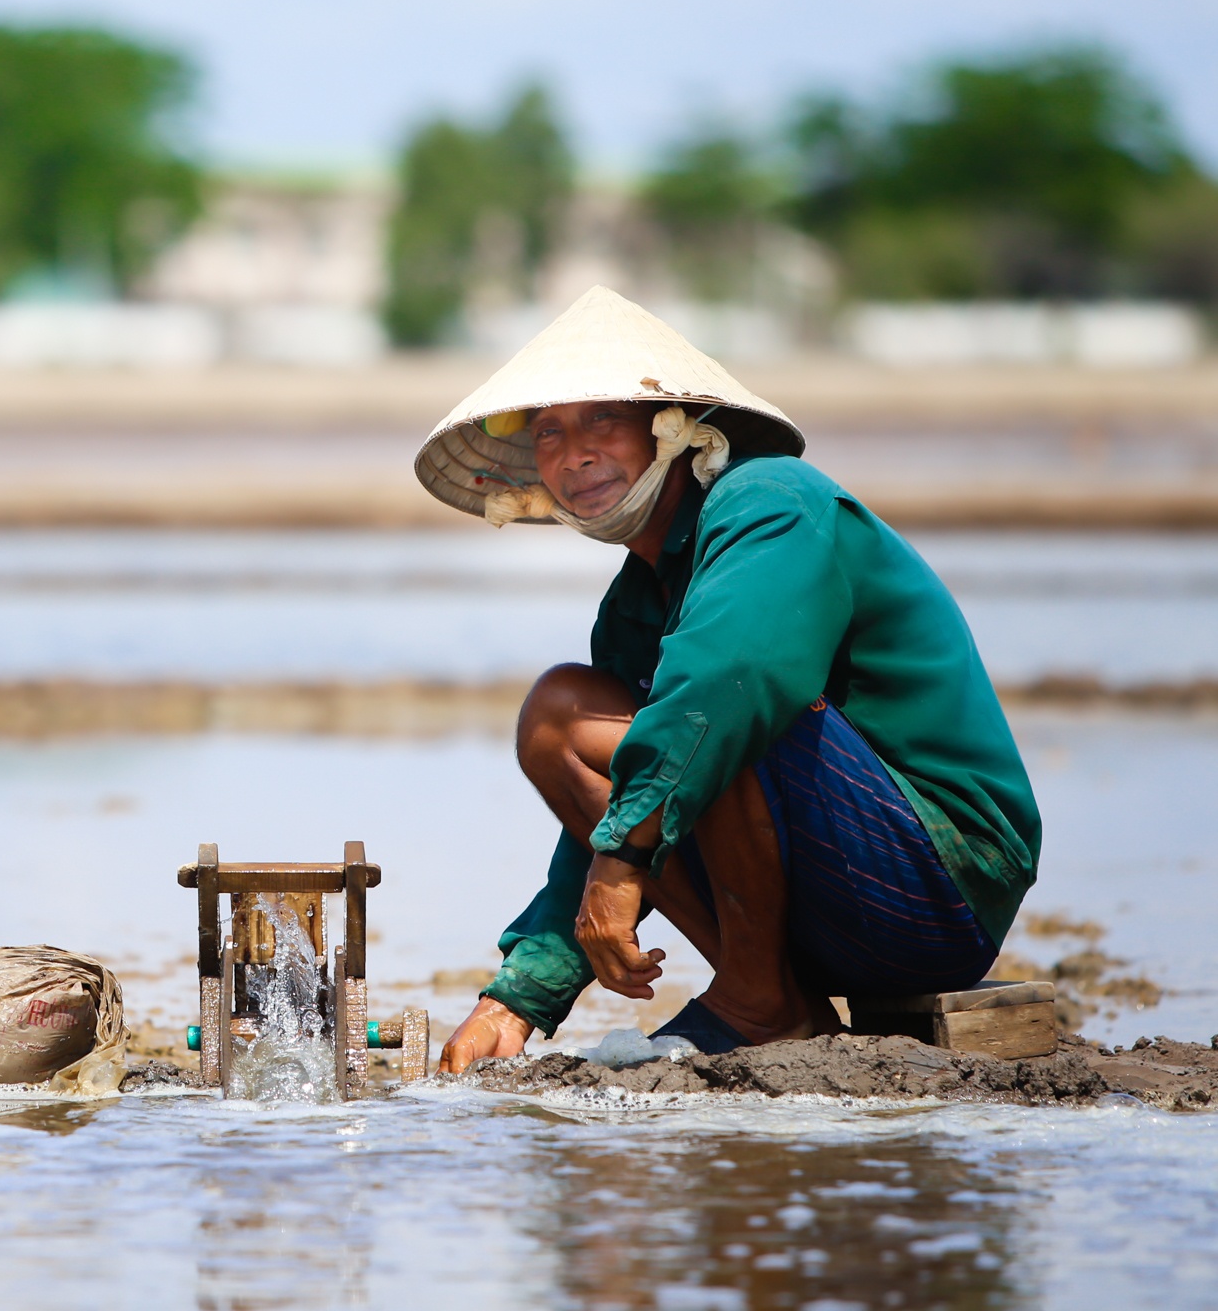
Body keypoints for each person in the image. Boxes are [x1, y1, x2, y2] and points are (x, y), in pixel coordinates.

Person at [415, 287, 1041, 1070]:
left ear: (671, 429)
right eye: (548, 431)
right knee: (629, 739)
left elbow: (729, 683)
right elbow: (618, 805)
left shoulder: (771, 500)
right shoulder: (635, 607)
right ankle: (777, 999)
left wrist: (621, 867)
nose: (573, 453)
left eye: (602, 420)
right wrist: (517, 999)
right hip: (827, 908)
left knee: (589, 714)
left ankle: (756, 1000)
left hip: (938, 889)